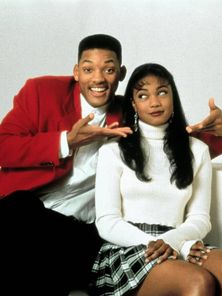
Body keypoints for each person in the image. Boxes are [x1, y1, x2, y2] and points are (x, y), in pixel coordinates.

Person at [0, 34, 132, 296]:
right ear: (76, 72)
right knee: (20, 215)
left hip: (80, 231)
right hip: (27, 212)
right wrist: (65, 142)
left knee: (47, 251)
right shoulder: (41, 92)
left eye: (108, 69)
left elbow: (173, 146)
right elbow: (3, 146)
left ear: (121, 73)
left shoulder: (130, 113)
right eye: (88, 69)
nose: (98, 79)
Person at [91, 63, 222, 296]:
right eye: (143, 95)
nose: (154, 102)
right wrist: (159, 245)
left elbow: (200, 218)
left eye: (162, 92)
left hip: (180, 240)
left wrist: (176, 242)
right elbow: (107, 221)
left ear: (172, 96)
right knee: (197, 282)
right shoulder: (113, 151)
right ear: (133, 103)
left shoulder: (197, 149)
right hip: (130, 246)